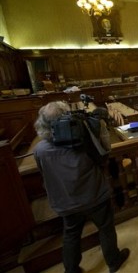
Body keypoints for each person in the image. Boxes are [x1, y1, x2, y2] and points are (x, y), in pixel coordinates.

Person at [33, 101, 130, 273]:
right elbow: (103, 157)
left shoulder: (40, 149)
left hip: (66, 200)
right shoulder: (84, 142)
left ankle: (71, 270)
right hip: (94, 194)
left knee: (71, 235)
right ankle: (113, 261)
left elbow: (44, 174)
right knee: (106, 228)